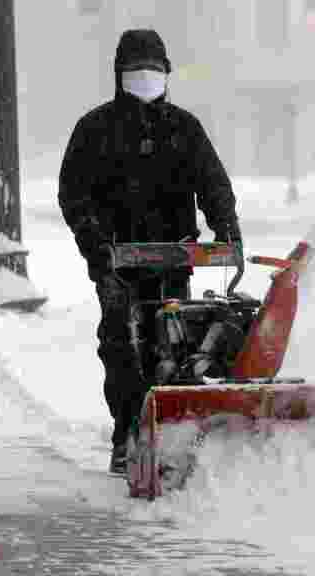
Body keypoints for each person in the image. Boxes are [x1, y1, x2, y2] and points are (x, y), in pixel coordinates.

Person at [58, 29, 242, 473]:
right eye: (136, 71)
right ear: (118, 76)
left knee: (174, 343)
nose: (145, 78)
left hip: (173, 257)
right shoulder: (95, 130)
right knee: (122, 344)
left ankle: (170, 433)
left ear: (167, 75)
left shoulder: (184, 129)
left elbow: (212, 184)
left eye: (153, 71)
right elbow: (73, 194)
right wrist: (95, 244)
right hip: (115, 263)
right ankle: (126, 432)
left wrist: (227, 229)